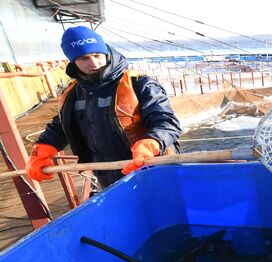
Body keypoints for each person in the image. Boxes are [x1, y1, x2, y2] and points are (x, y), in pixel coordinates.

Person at [26, 26, 182, 189]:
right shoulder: (71, 93)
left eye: (97, 55)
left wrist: (150, 144)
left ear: (106, 52)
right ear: (73, 62)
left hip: (152, 166)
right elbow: (61, 125)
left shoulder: (139, 84)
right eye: (84, 58)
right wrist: (42, 149)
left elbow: (167, 123)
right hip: (108, 174)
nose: (93, 63)